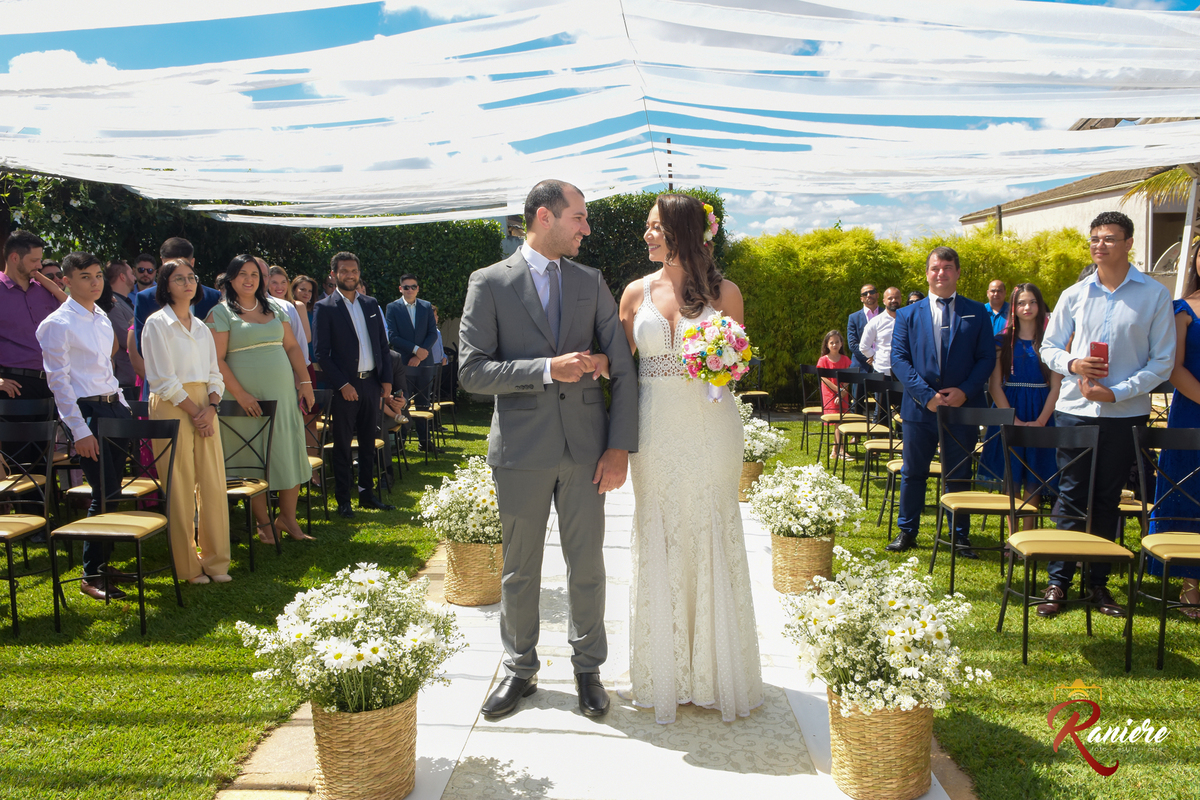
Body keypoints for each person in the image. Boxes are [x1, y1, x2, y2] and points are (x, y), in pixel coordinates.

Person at [459, 179, 638, 721]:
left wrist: (619, 448)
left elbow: (623, 368)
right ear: (544, 216)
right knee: (519, 570)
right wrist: (543, 369)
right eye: (579, 217)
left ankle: (589, 670)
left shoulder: (592, 281)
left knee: (587, 565)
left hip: (587, 450)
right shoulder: (489, 282)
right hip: (520, 451)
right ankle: (519, 670)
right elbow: (471, 370)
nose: (587, 228)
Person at [617, 192, 762, 724]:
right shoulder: (634, 293)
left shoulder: (727, 293)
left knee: (708, 527)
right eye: (648, 228)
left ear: (681, 231)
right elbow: (619, 371)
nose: (648, 236)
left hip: (711, 429)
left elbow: (738, 364)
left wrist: (723, 359)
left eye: (656, 227)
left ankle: (715, 671)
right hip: (655, 433)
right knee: (660, 532)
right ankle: (664, 672)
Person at [1038, 211, 1175, 618]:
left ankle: (1098, 584)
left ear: (1129, 243)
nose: (1100, 245)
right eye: (1094, 238)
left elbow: (1162, 362)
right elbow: (1049, 349)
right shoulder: (1074, 294)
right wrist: (1075, 364)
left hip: (1124, 414)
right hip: (1074, 411)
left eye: (1109, 238)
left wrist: (1117, 392)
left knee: (1107, 499)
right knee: (1070, 495)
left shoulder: (1153, 295)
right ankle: (1058, 582)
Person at [36, 252, 133, 601]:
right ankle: (90, 574)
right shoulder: (57, 324)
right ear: (66, 280)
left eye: (97, 276)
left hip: (113, 407)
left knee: (114, 490)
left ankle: (103, 563)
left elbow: (105, 369)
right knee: (102, 490)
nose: (94, 283)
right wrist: (80, 431)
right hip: (86, 412)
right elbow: (59, 383)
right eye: (85, 277)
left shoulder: (102, 316)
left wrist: (122, 406)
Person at [888, 246, 997, 555]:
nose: (941, 273)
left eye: (947, 268)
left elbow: (986, 358)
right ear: (927, 273)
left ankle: (959, 535)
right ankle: (907, 531)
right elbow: (899, 359)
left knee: (960, 472)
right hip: (920, 408)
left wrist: (964, 391)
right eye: (935, 268)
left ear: (957, 272)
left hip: (962, 407)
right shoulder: (909, 314)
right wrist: (927, 396)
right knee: (913, 471)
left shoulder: (977, 312)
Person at [209, 254, 316, 543]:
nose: (249, 279)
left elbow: (293, 347)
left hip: (282, 392)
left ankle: (288, 520)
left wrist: (304, 382)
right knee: (252, 459)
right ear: (231, 278)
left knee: (288, 452)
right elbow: (216, 360)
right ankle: (265, 523)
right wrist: (241, 395)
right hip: (242, 399)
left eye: (255, 274)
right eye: (243, 273)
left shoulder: (276, 309)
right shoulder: (220, 313)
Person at [142, 259, 231, 584]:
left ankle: (216, 561)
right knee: (179, 485)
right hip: (172, 404)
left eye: (192, 277)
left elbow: (214, 374)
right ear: (166, 285)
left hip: (205, 406)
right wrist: (196, 413)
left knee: (212, 481)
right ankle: (187, 566)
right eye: (179, 279)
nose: (188, 283)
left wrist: (210, 407)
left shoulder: (202, 327)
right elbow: (163, 379)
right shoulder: (156, 324)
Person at [312, 252, 394, 517]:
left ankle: (367, 495)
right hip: (345, 388)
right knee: (343, 445)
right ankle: (344, 500)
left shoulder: (370, 304)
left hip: (371, 383)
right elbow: (321, 353)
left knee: (370, 443)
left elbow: (382, 345)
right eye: (344, 270)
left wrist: (386, 380)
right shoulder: (324, 308)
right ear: (334, 274)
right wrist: (343, 384)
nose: (350, 274)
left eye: (354, 270)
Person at [979, 284, 1061, 527]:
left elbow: (1057, 386)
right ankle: (1013, 536)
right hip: (1008, 409)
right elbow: (995, 385)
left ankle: (1028, 533)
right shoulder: (1001, 342)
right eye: (1022, 303)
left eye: (1033, 302)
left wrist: (1041, 420)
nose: (1027, 307)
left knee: (1035, 474)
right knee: (1011, 474)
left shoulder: (1052, 342)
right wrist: (1011, 418)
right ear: (1013, 308)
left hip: (1042, 410)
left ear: (1040, 305)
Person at [1149, 239, 1200, 619]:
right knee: (1191, 488)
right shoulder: (1182, 308)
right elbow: (1172, 367)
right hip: (1192, 411)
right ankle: (1190, 582)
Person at [0, 231, 64, 401]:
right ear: (14, 258)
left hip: (51, 384)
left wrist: (55, 289)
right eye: (34, 260)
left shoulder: (46, 291)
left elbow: (78, 314)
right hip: (12, 385)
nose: (38, 266)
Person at [385, 273, 438, 449]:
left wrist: (421, 354)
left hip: (424, 361)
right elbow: (393, 336)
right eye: (406, 287)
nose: (409, 290)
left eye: (413, 286)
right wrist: (415, 351)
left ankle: (425, 441)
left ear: (418, 288)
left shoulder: (426, 306)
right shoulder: (392, 308)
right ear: (400, 289)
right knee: (402, 400)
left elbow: (432, 332)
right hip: (403, 363)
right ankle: (400, 441)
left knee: (423, 401)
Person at [817, 329, 853, 461]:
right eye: (831, 342)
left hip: (843, 394)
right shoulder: (823, 360)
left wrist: (843, 391)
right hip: (829, 394)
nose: (834, 345)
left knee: (841, 420)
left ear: (841, 343)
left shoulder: (845, 359)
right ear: (827, 344)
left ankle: (836, 449)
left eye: (837, 342)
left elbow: (849, 377)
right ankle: (840, 449)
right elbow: (824, 378)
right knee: (837, 420)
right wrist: (837, 390)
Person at [105, 260, 139, 401]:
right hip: (124, 380)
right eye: (131, 273)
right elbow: (125, 338)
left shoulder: (123, 302)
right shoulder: (112, 305)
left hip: (131, 379)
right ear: (122, 277)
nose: (135, 278)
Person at [859, 287, 902, 379]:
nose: (893, 300)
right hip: (882, 372)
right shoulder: (876, 322)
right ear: (884, 301)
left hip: (904, 372)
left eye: (896, 298)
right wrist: (875, 356)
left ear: (901, 299)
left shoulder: (907, 319)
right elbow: (863, 346)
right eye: (890, 298)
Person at [846, 284, 880, 377]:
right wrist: (870, 357)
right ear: (861, 299)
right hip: (860, 367)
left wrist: (878, 358)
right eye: (865, 294)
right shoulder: (853, 318)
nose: (868, 295)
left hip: (883, 365)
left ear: (877, 295)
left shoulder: (886, 314)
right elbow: (853, 344)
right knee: (858, 392)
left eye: (871, 292)